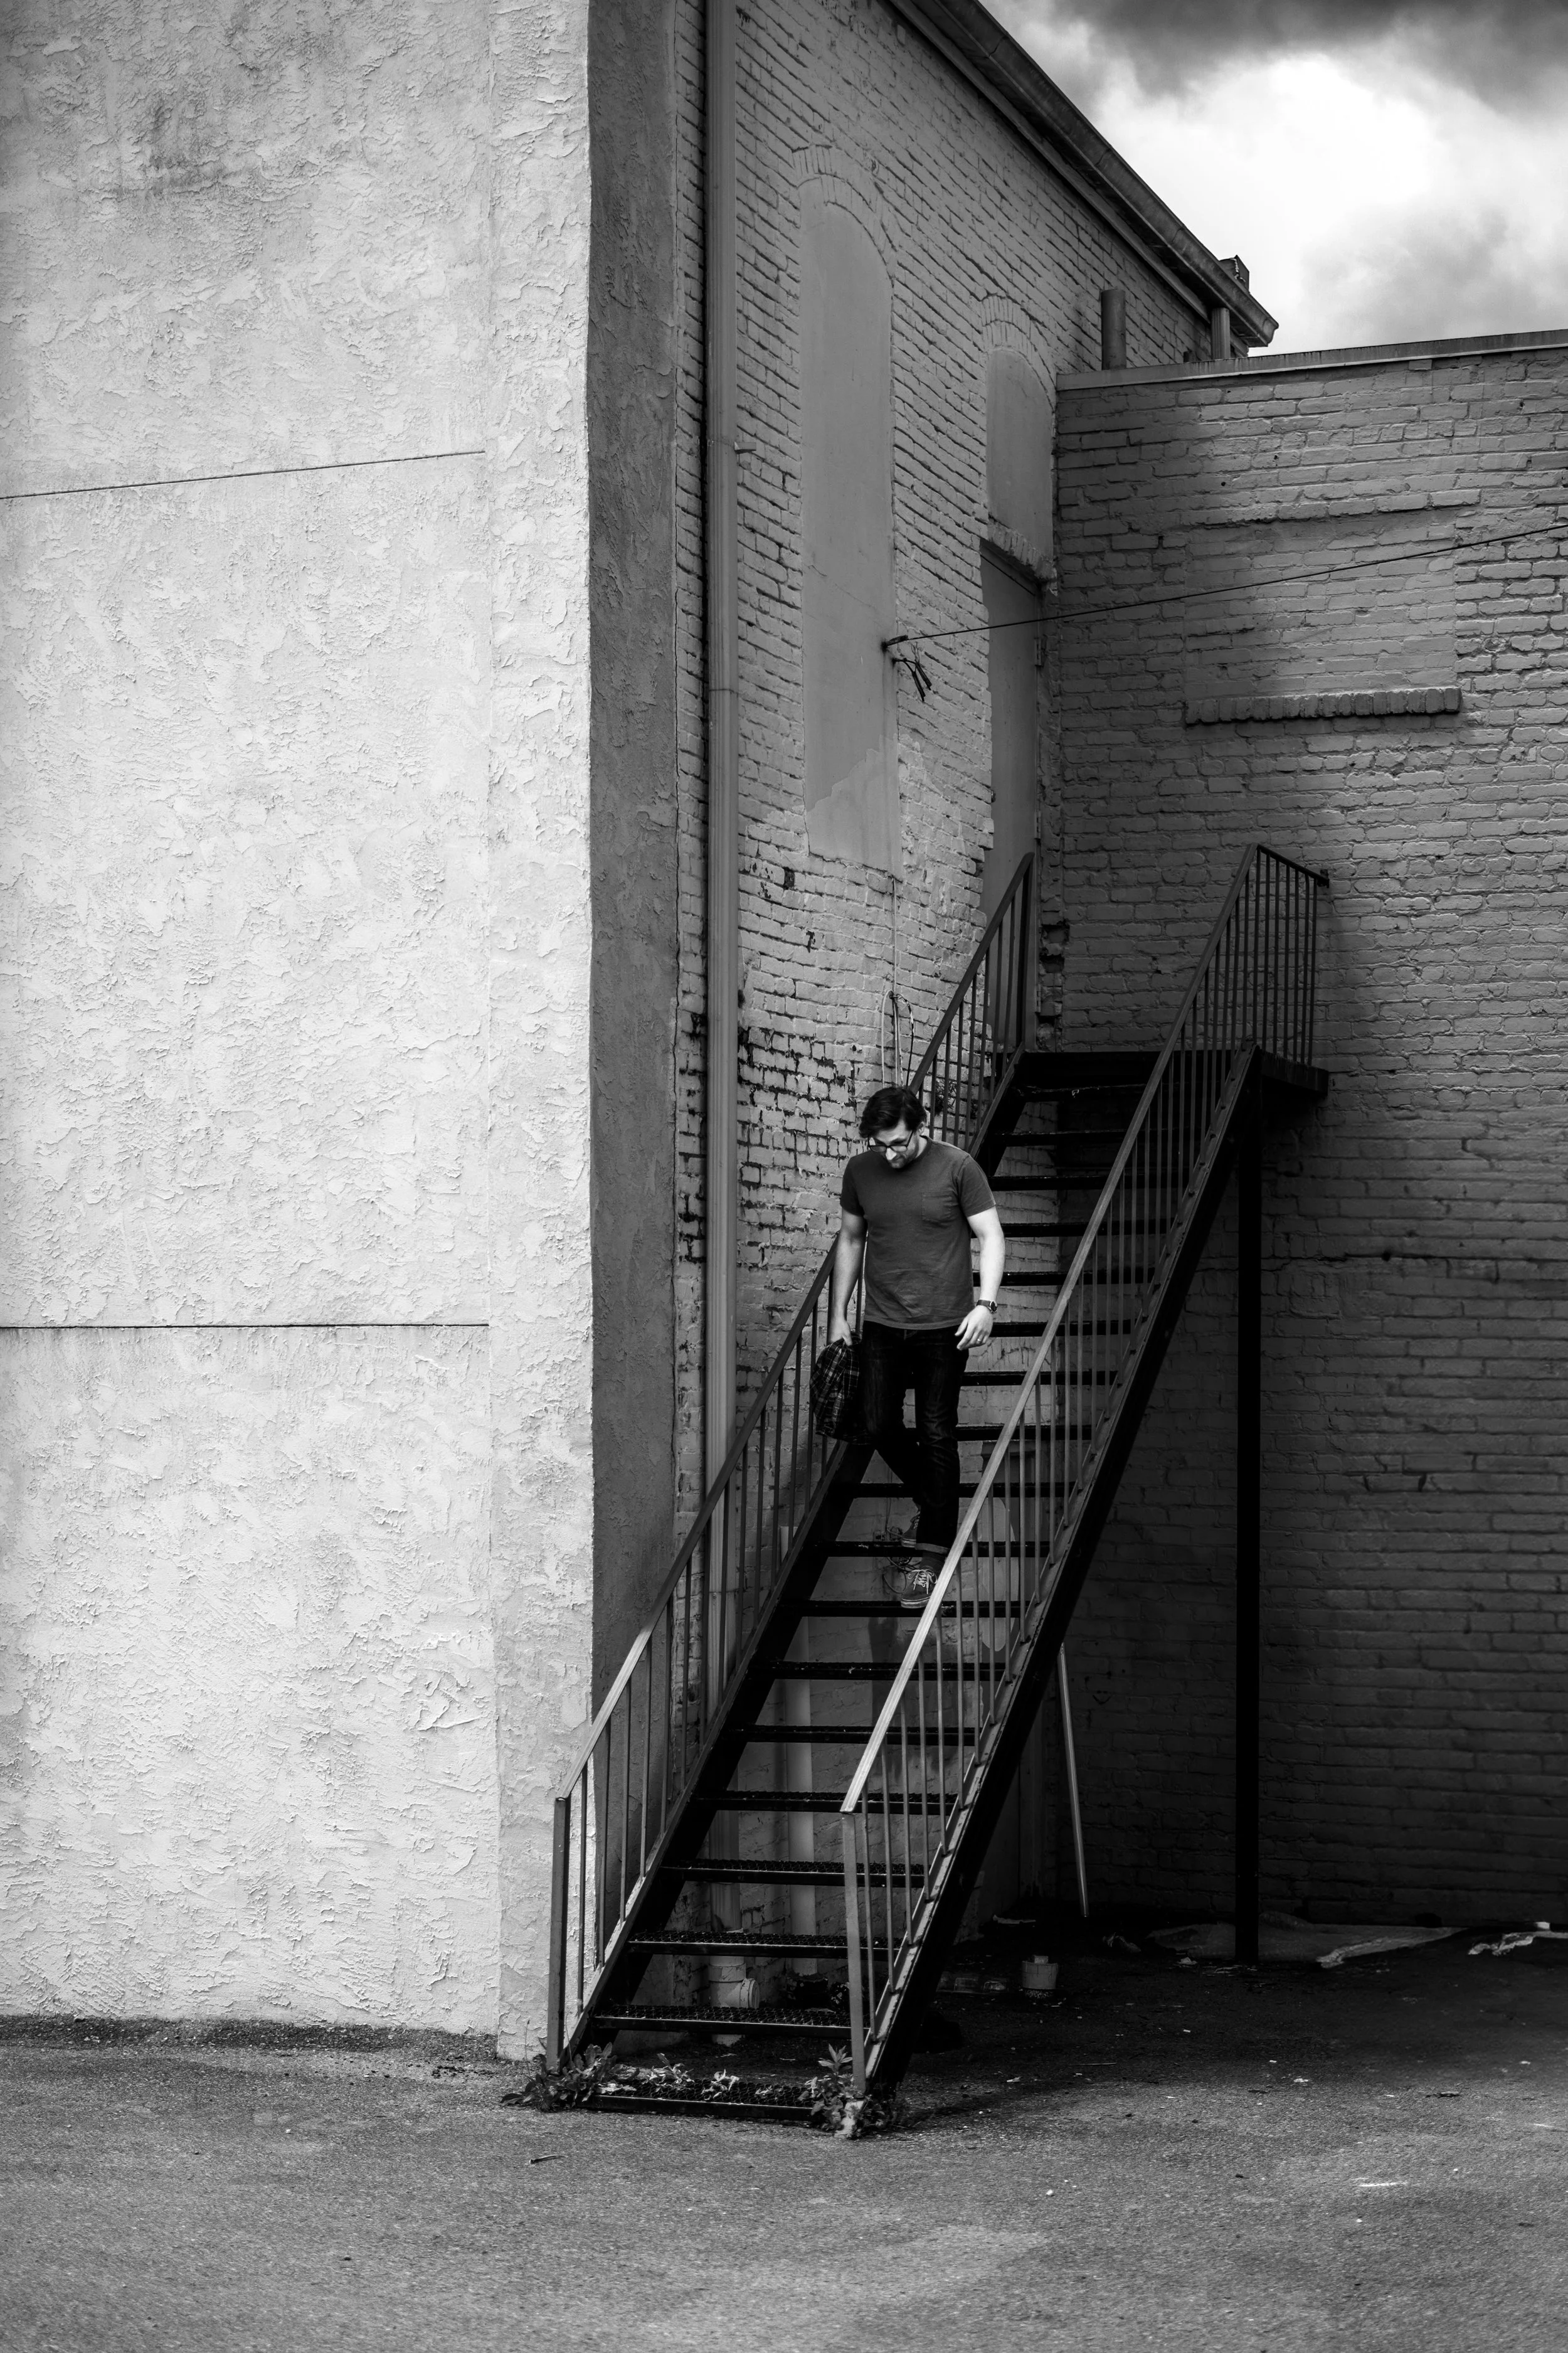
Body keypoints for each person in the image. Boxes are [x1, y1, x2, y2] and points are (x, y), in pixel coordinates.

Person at [828, 1083, 1005, 1600]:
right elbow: (852, 1239)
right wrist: (839, 1314)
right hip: (883, 1322)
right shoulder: (861, 1172)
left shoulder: (958, 1167)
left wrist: (986, 1304)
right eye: (880, 1143)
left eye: (899, 1143)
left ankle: (931, 1549)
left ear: (920, 1126)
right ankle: (940, 1508)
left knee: (936, 1429)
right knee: (878, 1423)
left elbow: (991, 1236)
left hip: (946, 1325)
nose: (890, 1153)